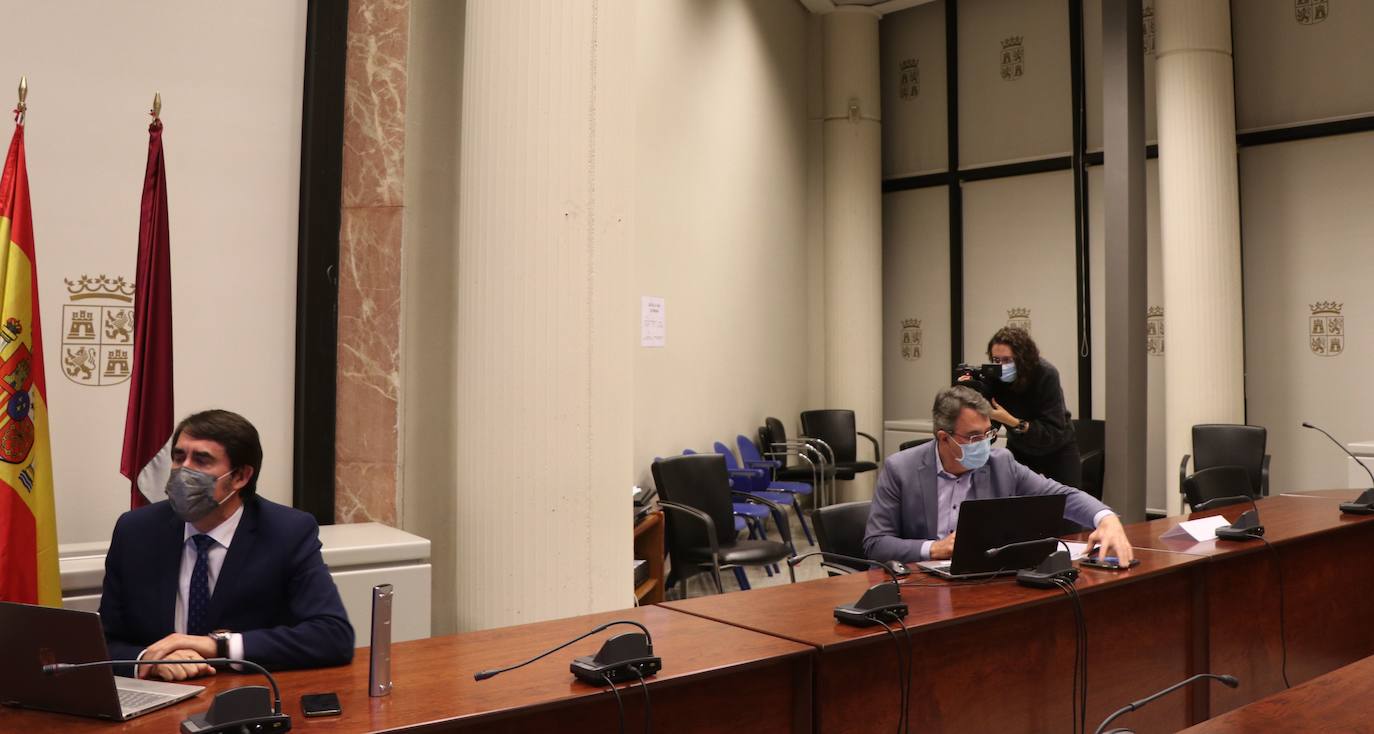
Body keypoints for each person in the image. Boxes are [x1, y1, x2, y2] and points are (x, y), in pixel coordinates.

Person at [99, 410, 353, 681]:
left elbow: (332, 636)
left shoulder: (286, 533)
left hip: (246, 697)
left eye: (202, 460)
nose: (184, 470)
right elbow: (103, 641)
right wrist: (147, 661)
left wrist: (217, 647)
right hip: (160, 694)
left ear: (240, 476)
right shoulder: (136, 531)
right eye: (178, 457)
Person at [863, 386, 1133, 566]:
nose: (984, 444)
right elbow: (876, 544)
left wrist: (1105, 518)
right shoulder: (900, 469)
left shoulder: (1000, 463)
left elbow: (1063, 495)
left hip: (985, 579)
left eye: (988, 433)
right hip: (920, 587)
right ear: (943, 438)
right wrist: (934, 549)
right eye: (973, 437)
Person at [977, 327, 1083, 491]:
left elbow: (1052, 432)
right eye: (996, 360)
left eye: (1007, 360)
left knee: (1068, 504)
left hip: (1057, 449)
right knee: (1017, 503)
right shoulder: (994, 375)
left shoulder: (1046, 374)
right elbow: (989, 424)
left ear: (1022, 358)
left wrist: (1011, 422)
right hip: (1020, 447)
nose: (1001, 366)